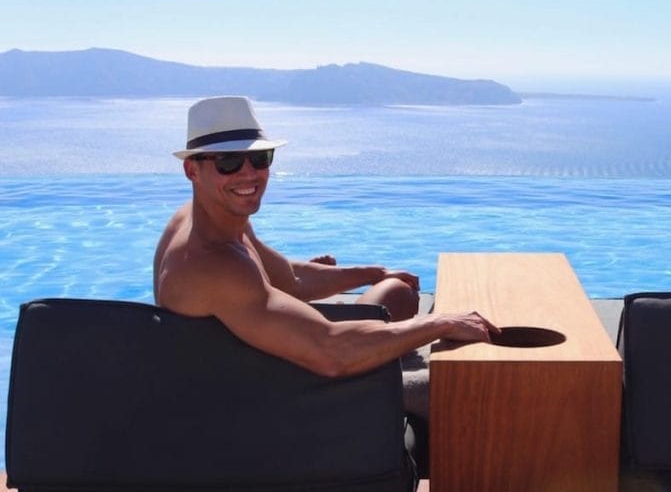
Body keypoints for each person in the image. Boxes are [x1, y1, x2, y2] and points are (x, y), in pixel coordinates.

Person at [153, 95, 498, 378]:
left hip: (263, 358)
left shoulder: (212, 217)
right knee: (456, 392)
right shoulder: (213, 266)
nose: (248, 173)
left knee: (396, 292)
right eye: (228, 161)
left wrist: (374, 274)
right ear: (191, 170)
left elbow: (290, 278)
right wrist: (439, 322)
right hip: (268, 400)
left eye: (259, 158)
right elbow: (331, 352)